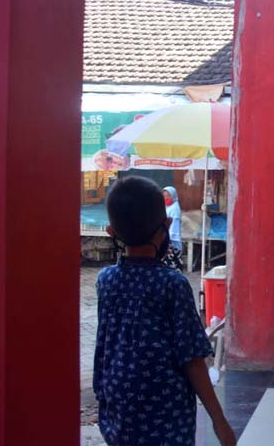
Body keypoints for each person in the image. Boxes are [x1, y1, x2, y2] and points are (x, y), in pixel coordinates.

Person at [95, 176, 235, 446]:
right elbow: (192, 359)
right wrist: (219, 421)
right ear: (167, 225)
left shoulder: (105, 280)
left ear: (112, 232)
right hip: (167, 416)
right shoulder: (173, 284)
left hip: (118, 409)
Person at [162, 186, 184, 270]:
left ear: (173, 196)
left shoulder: (175, 209)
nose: (166, 198)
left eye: (168, 196)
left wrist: (167, 240)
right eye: (164, 196)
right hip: (167, 240)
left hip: (172, 242)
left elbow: (174, 229)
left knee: (172, 266)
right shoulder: (167, 207)